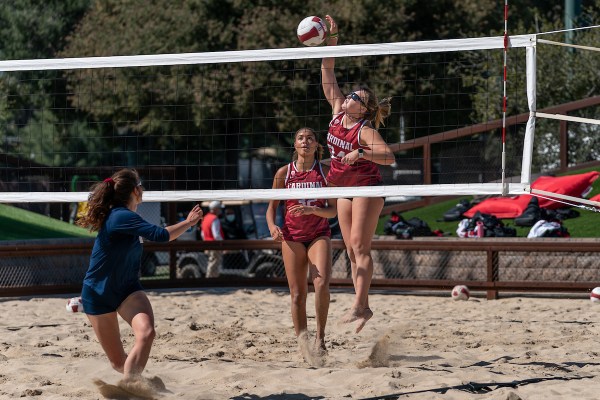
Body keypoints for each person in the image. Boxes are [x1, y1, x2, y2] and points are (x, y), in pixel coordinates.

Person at [76, 168, 203, 391]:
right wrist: (189, 222)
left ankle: (131, 388)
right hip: (99, 293)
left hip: (127, 289)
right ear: (136, 190)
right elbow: (162, 235)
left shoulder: (127, 216)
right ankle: (137, 385)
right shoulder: (121, 216)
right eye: (142, 184)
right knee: (118, 363)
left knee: (146, 332)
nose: (144, 188)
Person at [321, 15, 396, 334]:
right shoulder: (338, 112)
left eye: (357, 98)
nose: (350, 97)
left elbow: (389, 158)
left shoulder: (365, 131)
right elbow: (327, 71)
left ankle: (360, 306)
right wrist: (331, 39)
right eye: (351, 94)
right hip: (343, 188)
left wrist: (362, 152)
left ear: (363, 110)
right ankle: (362, 305)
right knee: (351, 249)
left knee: (359, 246)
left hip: (366, 188)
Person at [266, 127, 337, 361]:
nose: (305, 142)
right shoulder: (284, 173)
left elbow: (333, 211)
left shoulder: (326, 172)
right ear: (294, 145)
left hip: (318, 233)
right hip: (292, 236)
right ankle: (303, 345)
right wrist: (272, 227)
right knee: (297, 294)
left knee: (321, 284)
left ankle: (321, 339)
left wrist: (312, 210)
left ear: (317, 145)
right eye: (300, 138)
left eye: (310, 138)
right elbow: (272, 209)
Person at [201, 200, 224, 278]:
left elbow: (202, 234)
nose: (220, 210)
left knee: (211, 262)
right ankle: (210, 280)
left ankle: (211, 279)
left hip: (207, 244)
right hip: (215, 245)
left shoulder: (205, 218)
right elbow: (216, 235)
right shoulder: (214, 219)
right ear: (215, 209)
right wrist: (223, 245)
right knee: (214, 264)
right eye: (219, 208)